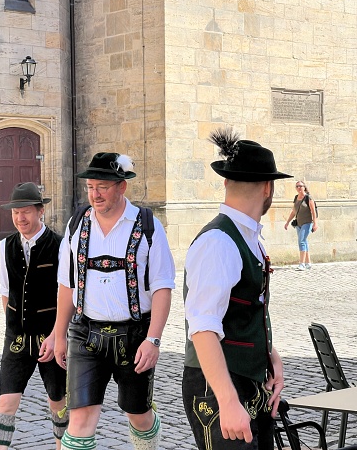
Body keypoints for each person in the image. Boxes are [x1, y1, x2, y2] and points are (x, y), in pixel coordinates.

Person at [54, 152, 175, 450]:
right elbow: (67, 285)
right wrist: (58, 335)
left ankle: (148, 431)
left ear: (122, 187)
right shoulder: (76, 226)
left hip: (134, 336)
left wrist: (154, 340)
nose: (94, 195)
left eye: (102, 187)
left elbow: (162, 287)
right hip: (85, 335)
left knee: (139, 415)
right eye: (90, 187)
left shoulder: (148, 226)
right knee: (79, 421)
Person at [182, 128, 292, 450]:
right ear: (268, 188)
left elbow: (243, 310)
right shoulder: (218, 242)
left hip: (246, 382)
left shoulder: (246, 237)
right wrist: (228, 402)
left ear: (227, 181)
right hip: (217, 387)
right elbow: (202, 329)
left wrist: (270, 358)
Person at [0, 182, 68, 450]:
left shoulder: (61, 247)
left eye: (26, 211)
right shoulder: (5, 247)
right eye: (16, 212)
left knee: (57, 401)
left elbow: (67, 294)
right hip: (16, 338)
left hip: (51, 336)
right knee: (5, 402)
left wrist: (58, 335)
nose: (20, 218)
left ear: (41, 212)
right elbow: (6, 292)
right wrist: (14, 326)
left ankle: (61, 446)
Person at [284, 180, 318, 271]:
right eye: (297, 186)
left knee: (301, 241)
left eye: (300, 186)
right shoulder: (296, 198)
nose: (299, 188)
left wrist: (315, 223)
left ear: (304, 187)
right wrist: (287, 222)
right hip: (298, 223)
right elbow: (294, 211)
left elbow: (313, 211)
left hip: (307, 223)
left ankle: (302, 264)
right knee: (304, 242)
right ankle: (308, 263)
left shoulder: (308, 198)